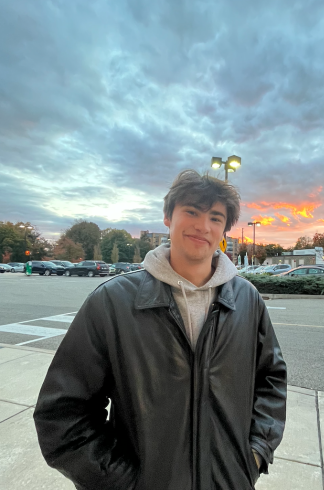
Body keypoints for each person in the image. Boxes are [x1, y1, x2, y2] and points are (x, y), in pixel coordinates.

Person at [33, 170, 287, 490]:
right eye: (191, 211)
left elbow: (271, 379)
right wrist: (124, 483)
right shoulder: (112, 301)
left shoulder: (248, 300)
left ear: (224, 229)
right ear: (168, 217)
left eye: (215, 217)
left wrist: (255, 455)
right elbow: (62, 415)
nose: (203, 225)